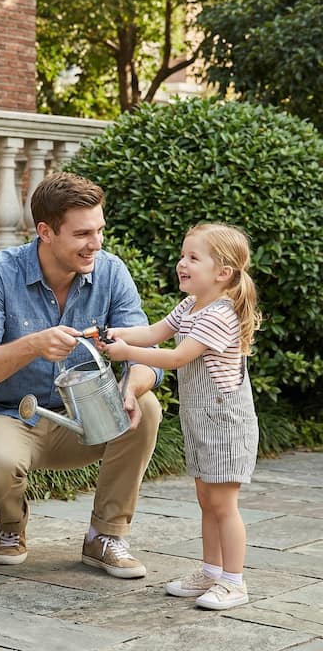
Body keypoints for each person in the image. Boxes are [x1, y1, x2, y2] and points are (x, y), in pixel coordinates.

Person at [0, 171, 163, 577]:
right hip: (11, 415)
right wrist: (33, 344)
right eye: (83, 234)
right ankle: (11, 524)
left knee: (146, 406)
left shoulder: (111, 272)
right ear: (46, 232)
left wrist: (133, 384)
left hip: (90, 419)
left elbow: (147, 353)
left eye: (100, 230)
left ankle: (105, 536)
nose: (96, 244)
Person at [98, 222, 260, 610]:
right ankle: (211, 571)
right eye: (182, 255)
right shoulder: (191, 305)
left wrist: (125, 354)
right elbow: (154, 333)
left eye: (193, 257)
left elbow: (175, 357)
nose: (181, 263)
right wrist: (108, 333)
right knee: (207, 500)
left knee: (224, 505)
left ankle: (235, 582)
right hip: (201, 420)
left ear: (222, 273)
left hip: (226, 423)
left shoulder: (220, 313)